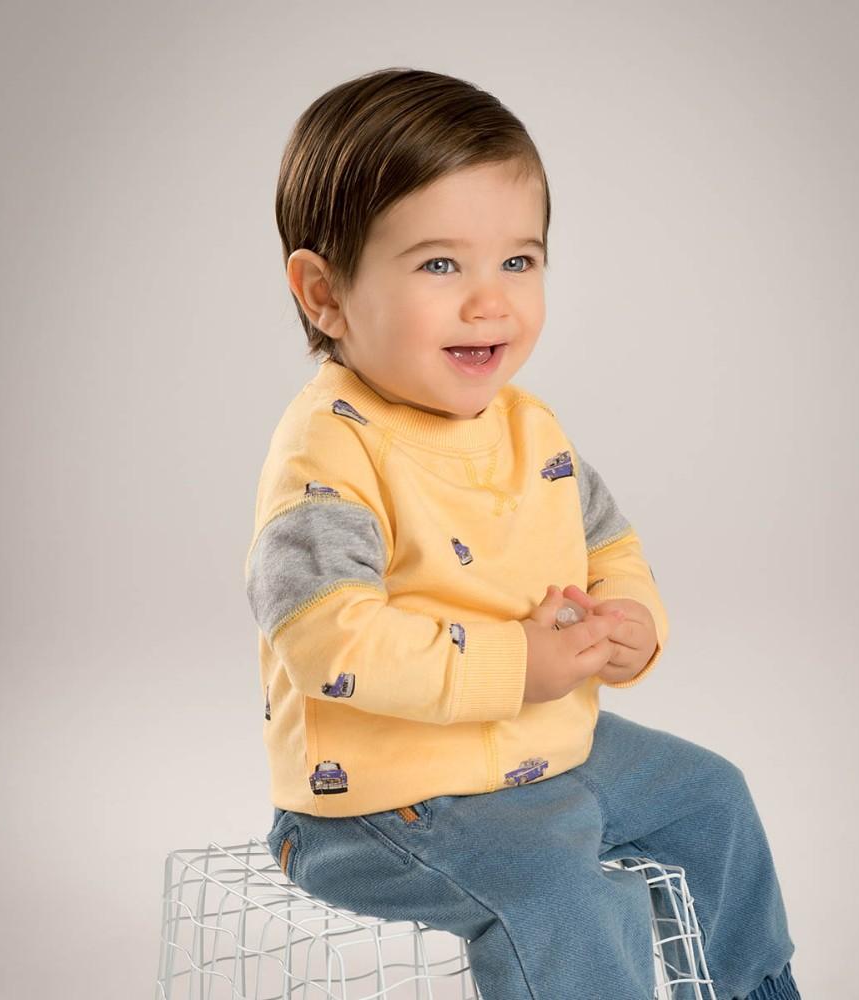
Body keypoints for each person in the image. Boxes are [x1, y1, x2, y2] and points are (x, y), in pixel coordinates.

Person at [245, 66, 800, 1000]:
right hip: (383, 802)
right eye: (439, 265)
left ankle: (753, 992)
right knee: (564, 896)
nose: (489, 301)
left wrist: (630, 622)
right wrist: (517, 665)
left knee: (712, 798)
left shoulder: (529, 429)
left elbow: (609, 546)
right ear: (324, 293)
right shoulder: (327, 453)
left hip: (546, 747)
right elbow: (326, 642)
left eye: (518, 261)